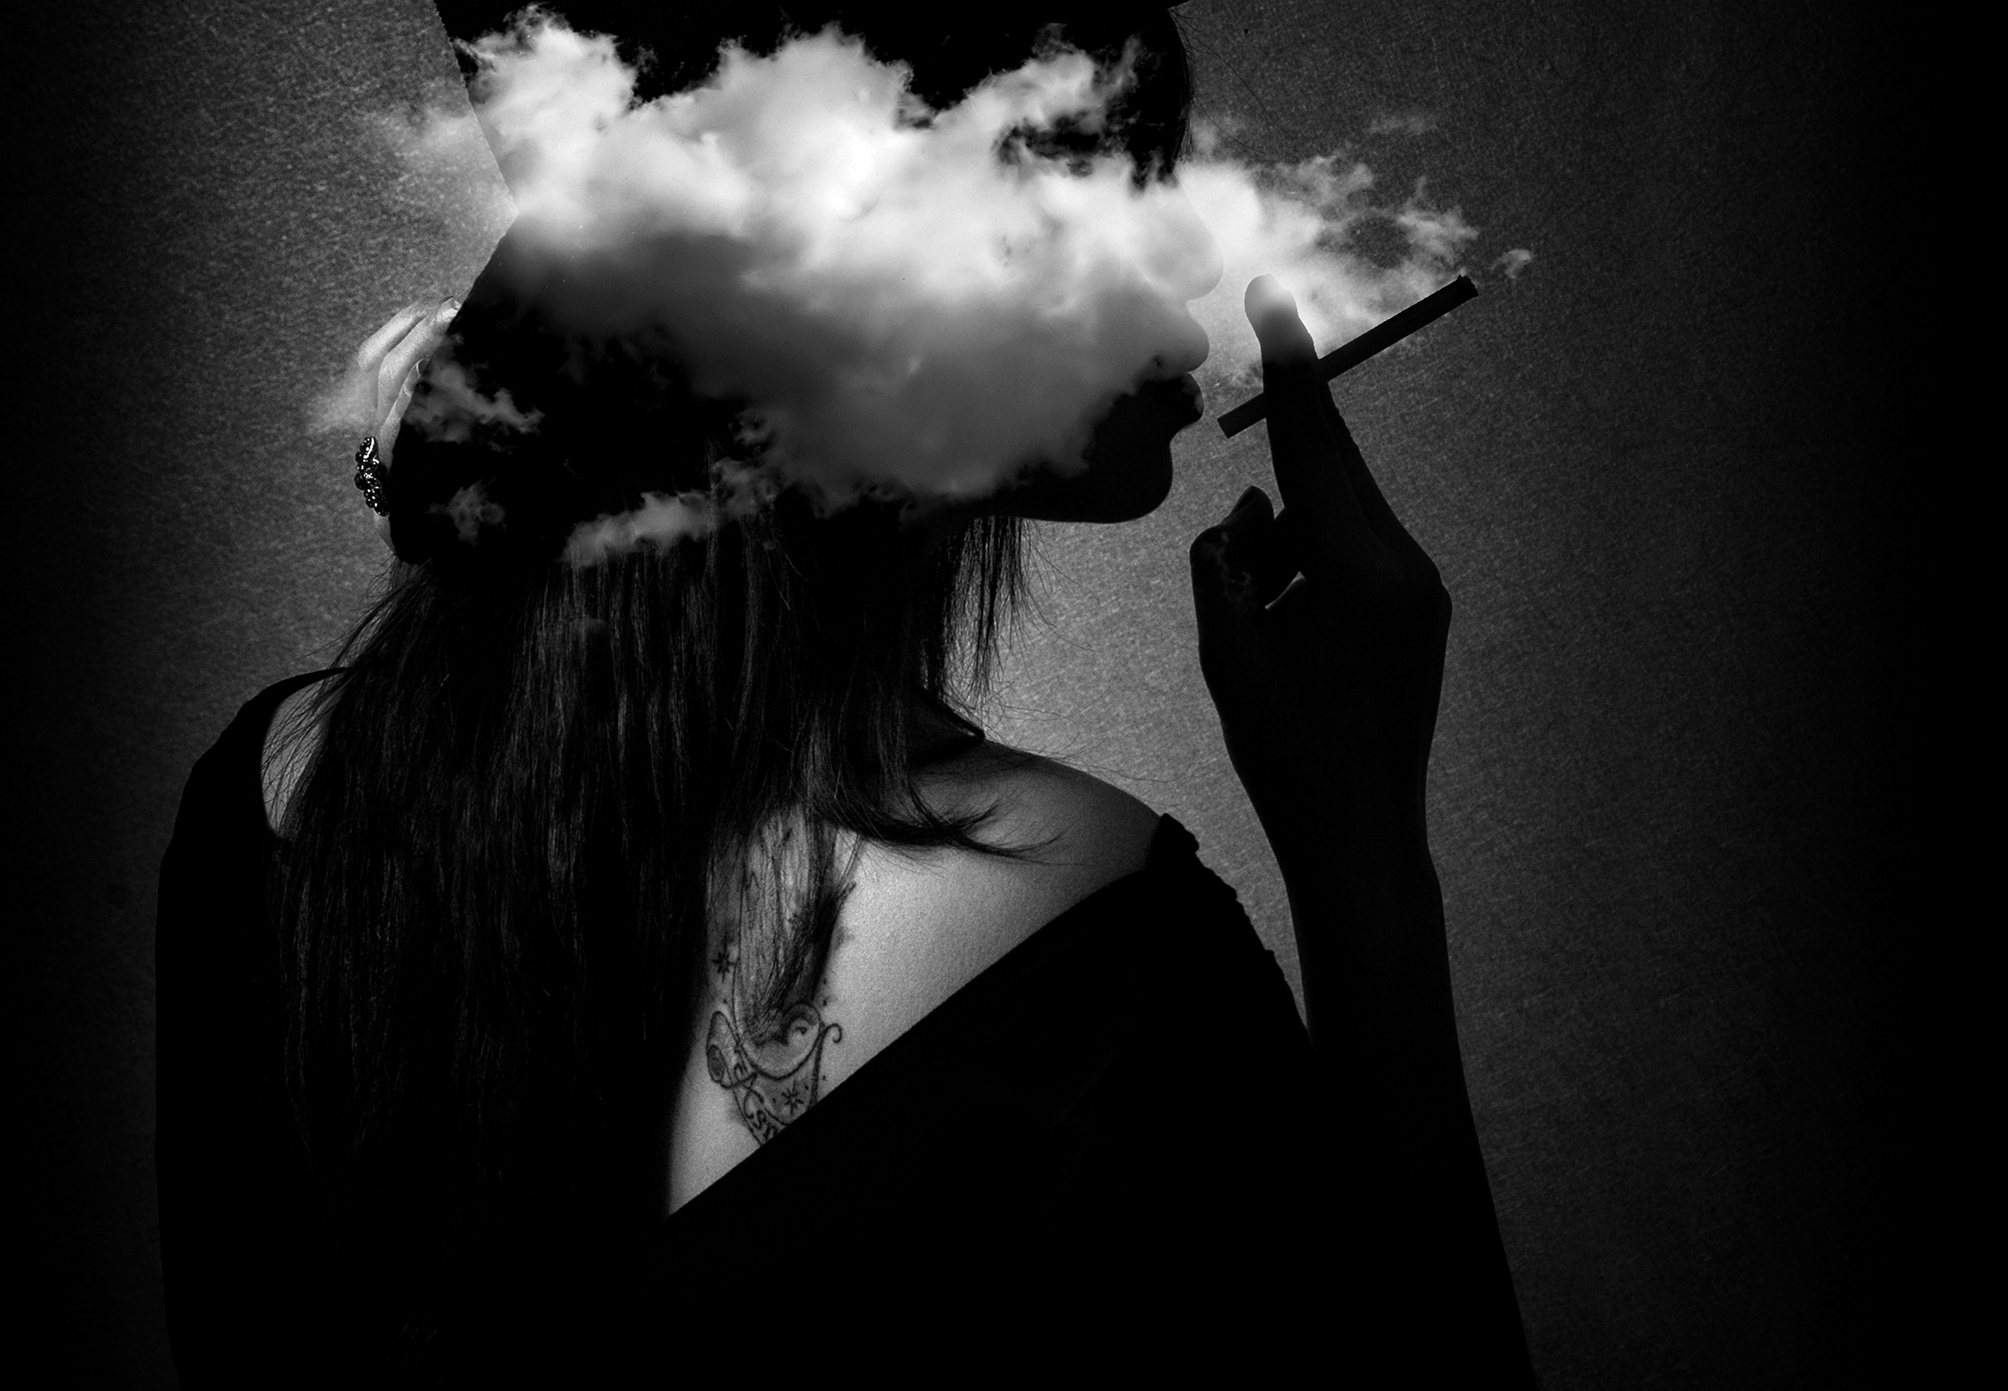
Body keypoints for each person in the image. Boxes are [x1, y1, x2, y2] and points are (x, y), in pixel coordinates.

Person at [156, 3, 1535, 1381]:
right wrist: (1362, 856)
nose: (1190, 253)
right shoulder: (1106, 972)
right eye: (1105, 180)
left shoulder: (271, 789)